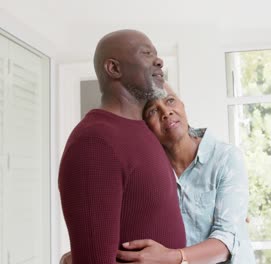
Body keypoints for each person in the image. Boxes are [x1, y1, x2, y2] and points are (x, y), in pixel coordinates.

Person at [61, 83, 255, 264]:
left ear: (182, 104)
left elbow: (227, 239)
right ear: (143, 126)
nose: (166, 112)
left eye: (170, 100)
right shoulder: (146, 168)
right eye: (152, 111)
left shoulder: (226, 158)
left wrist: (174, 257)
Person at [58, 30, 186, 264]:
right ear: (114, 69)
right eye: (146, 54)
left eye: (156, 54)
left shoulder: (146, 129)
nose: (158, 60)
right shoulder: (94, 143)